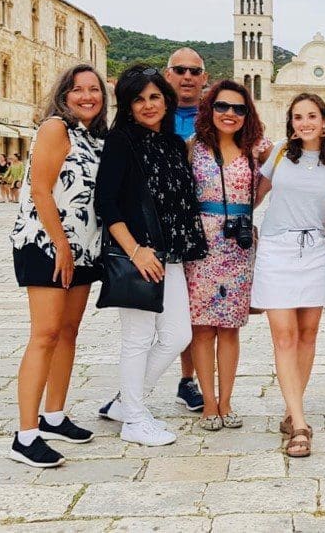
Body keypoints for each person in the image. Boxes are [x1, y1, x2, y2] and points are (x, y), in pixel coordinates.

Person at [95, 65, 208, 447]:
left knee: (178, 335)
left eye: (154, 97)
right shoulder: (121, 140)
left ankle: (126, 403)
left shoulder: (175, 144)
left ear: (167, 99)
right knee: (138, 338)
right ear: (126, 105)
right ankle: (135, 419)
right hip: (138, 254)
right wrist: (136, 250)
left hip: (171, 253)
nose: (147, 105)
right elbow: (106, 203)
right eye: (138, 99)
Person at [6, 64, 108, 468]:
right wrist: (62, 247)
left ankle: (54, 415)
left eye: (94, 89)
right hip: (46, 245)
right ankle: (25, 435)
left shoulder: (93, 137)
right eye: (77, 89)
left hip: (83, 248)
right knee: (45, 334)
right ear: (63, 94)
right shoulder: (55, 128)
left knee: (68, 332)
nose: (87, 96)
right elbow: (40, 189)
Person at [253, 93, 325, 457]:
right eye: (298, 117)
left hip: (316, 252)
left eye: (312, 116)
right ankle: (300, 423)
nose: (304, 122)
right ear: (290, 122)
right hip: (277, 250)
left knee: (308, 336)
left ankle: (291, 410)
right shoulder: (278, 153)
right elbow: (254, 198)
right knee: (285, 337)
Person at [184, 80, 263, 433]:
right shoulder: (193, 148)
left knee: (230, 329)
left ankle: (227, 401)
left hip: (239, 246)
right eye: (222, 106)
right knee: (202, 329)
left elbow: (264, 188)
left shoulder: (256, 151)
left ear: (248, 114)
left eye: (238, 108)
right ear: (209, 108)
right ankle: (209, 404)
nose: (230, 114)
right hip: (201, 245)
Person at [164, 47, 209, 413]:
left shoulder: (215, 118)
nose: (188, 76)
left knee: (195, 312)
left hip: (202, 225)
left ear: (204, 78)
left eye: (195, 71)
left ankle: (188, 379)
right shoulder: (153, 113)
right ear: (168, 75)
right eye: (180, 70)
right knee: (153, 312)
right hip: (159, 226)